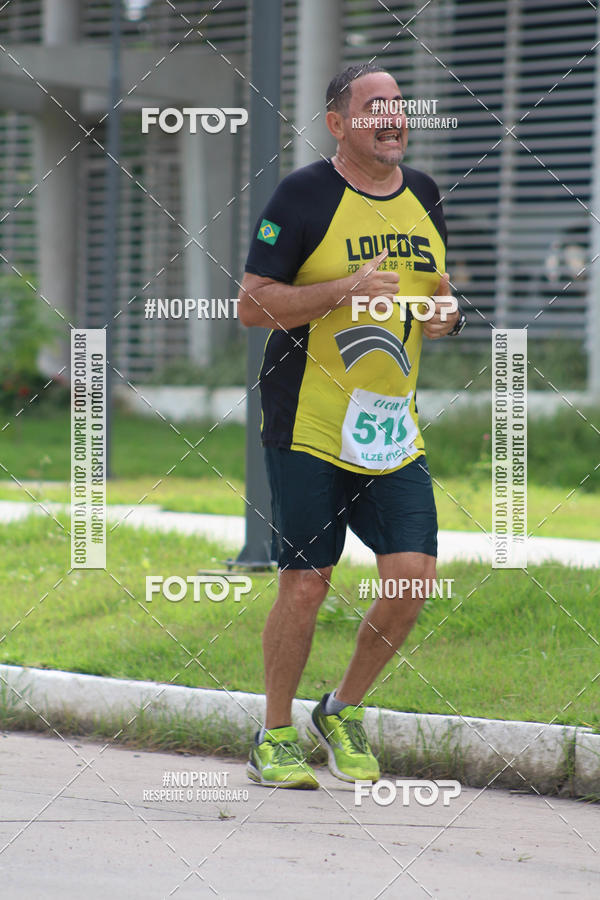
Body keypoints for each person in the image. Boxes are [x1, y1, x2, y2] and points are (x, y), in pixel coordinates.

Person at [238, 64, 466, 789]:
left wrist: (448, 315)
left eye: (399, 107)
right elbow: (252, 305)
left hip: (391, 427)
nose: (393, 118)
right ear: (339, 124)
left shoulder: (425, 195)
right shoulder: (303, 196)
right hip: (308, 417)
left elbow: (439, 294)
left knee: (413, 580)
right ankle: (274, 735)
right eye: (375, 108)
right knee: (306, 582)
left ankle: (341, 709)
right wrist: (344, 289)